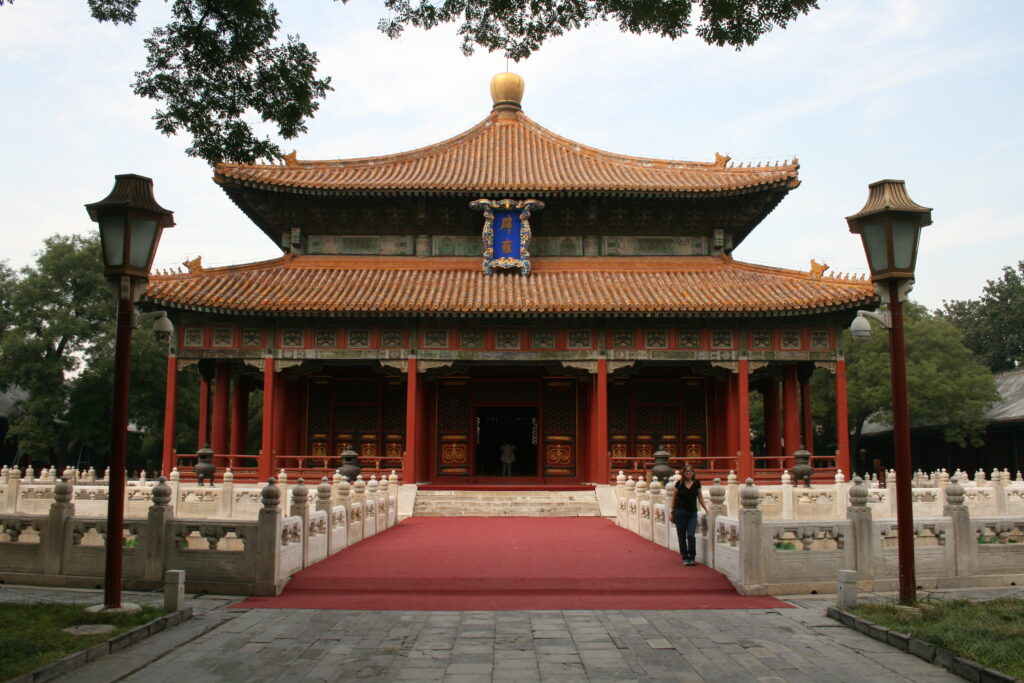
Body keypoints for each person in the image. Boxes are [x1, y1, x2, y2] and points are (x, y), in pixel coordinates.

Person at [670, 464, 708, 566]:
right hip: (679, 512)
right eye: (686, 471)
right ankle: (685, 557)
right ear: (683, 473)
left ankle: (692, 557)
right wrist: (672, 512)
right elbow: (674, 499)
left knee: (691, 535)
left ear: (693, 473)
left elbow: (700, 498)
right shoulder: (679, 484)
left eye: (690, 471)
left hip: (692, 513)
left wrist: (706, 509)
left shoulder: (697, 483)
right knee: (682, 536)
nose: (688, 473)